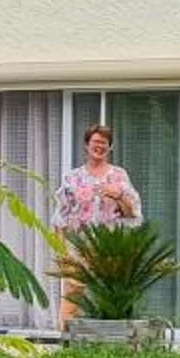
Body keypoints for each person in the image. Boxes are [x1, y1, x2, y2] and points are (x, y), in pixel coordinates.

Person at [53, 124, 142, 324]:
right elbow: (60, 215)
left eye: (104, 143)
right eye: (95, 142)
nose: (99, 146)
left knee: (110, 293)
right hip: (78, 245)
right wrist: (62, 250)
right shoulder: (72, 177)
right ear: (87, 145)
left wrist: (119, 196)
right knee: (73, 294)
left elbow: (132, 214)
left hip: (109, 244)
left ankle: (108, 340)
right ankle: (67, 340)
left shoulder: (119, 176)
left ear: (110, 147)